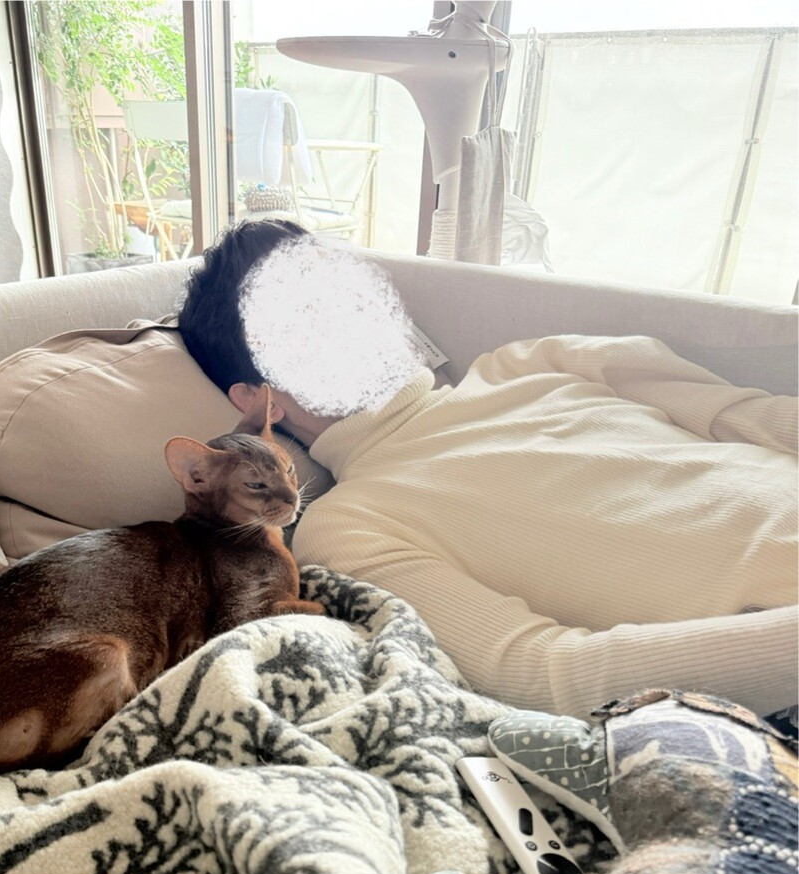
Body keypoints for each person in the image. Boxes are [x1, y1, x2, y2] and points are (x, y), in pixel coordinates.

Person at [177, 219, 798, 720]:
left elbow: (757, 417)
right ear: (260, 399)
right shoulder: (350, 526)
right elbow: (549, 676)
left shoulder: (534, 361)